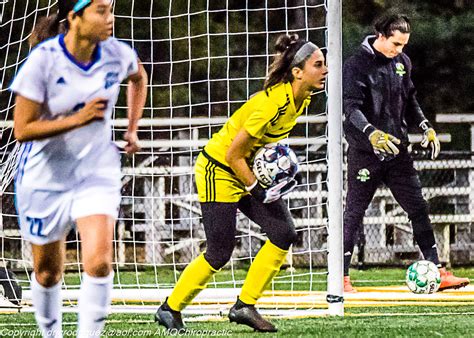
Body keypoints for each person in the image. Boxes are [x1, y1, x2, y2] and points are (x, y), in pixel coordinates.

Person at [154, 34, 327, 332]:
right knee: (220, 252)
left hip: (245, 170)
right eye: (318, 64)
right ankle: (170, 309)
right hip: (218, 169)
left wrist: (273, 170)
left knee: (283, 232)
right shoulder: (270, 104)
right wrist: (257, 187)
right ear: (297, 71)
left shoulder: (302, 99)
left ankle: (244, 306)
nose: (325, 70)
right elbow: (233, 154)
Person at [10, 0, 147, 337]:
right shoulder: (43, 60)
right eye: (101, 11)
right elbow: (22, 129)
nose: (110, 18)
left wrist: (132, 129)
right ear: (74, 17)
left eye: (111, 10)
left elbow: (138, 77)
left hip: (95, 171)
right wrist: (78, 118)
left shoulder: (117, 53)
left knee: (99, 262)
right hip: (45, 176)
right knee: (47, 273)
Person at [342, 13, 469, 293]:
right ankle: (341, 276)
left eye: (404, 45)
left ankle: (435, 269)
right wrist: (372, 134)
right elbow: (350, 108)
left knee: (418, 207)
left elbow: (410, 100)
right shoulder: (356, 65)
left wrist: (426, 127)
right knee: (354, 211)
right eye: (396, 44)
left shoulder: (402, 63)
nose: (399, 51)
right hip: (366, 153)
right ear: (381, 36)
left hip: (398, 151)